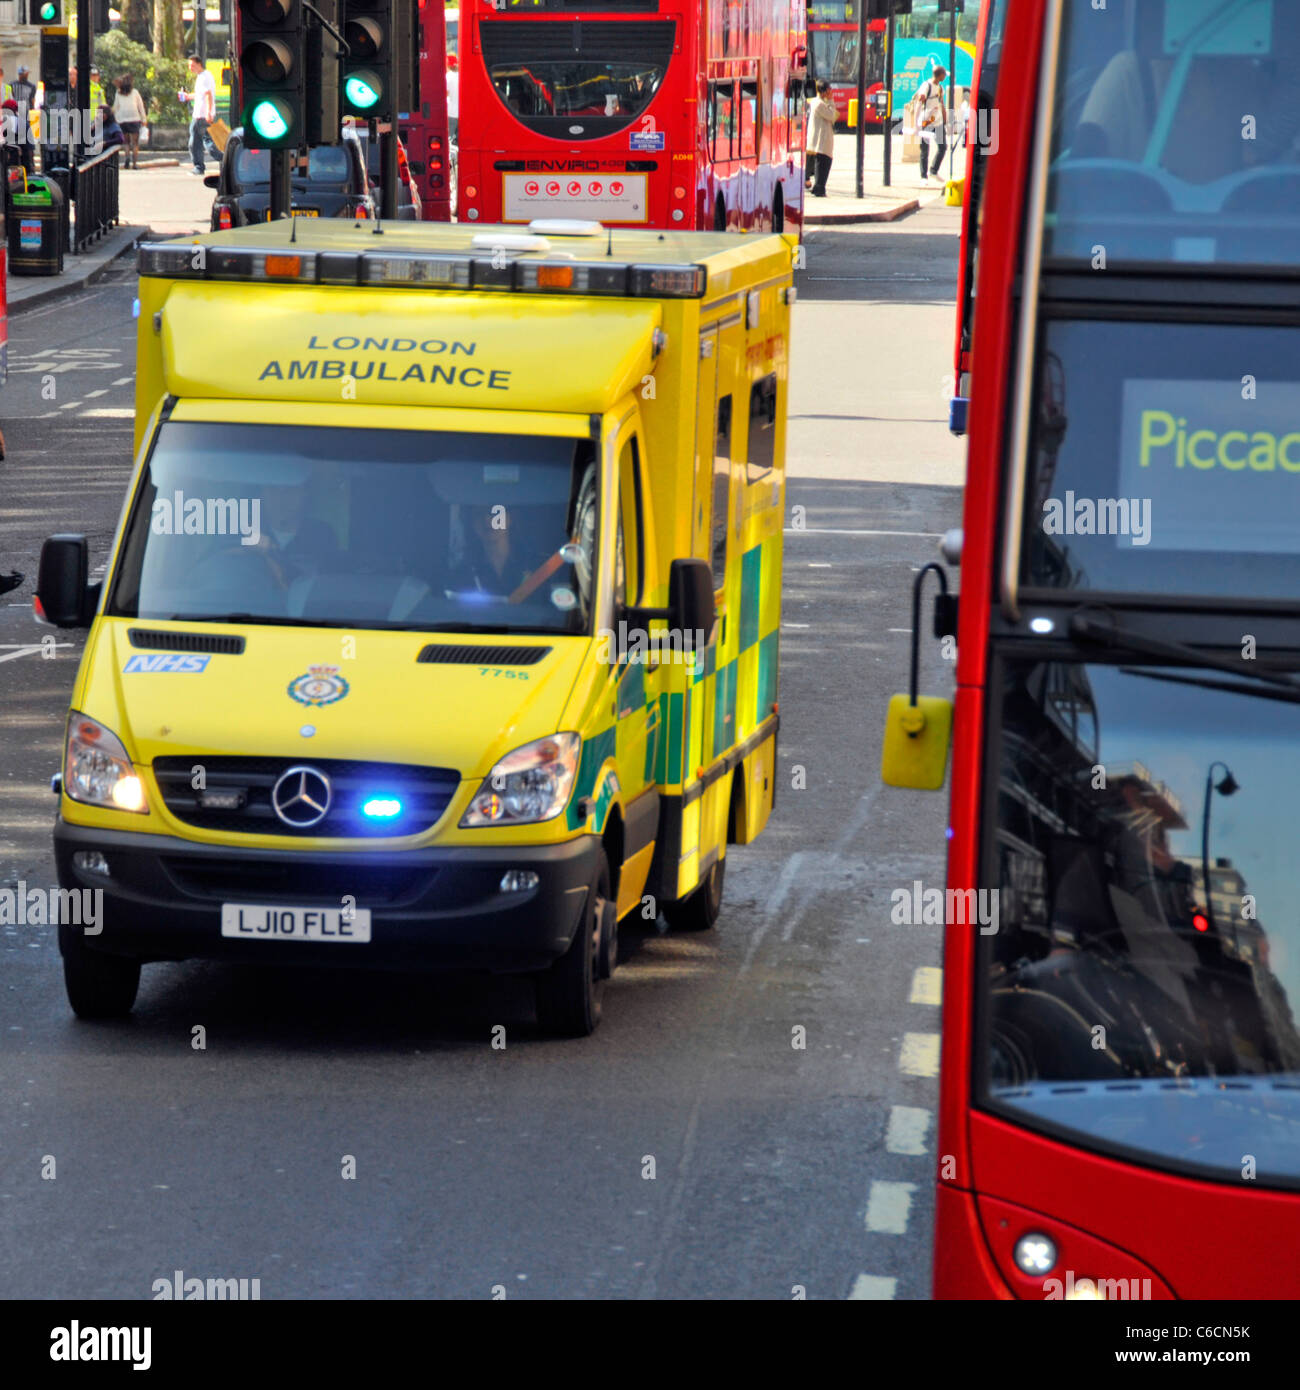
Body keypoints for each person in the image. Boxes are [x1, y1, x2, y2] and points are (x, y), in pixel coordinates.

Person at [178, 53, 217, 176]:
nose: (190, 68)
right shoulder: (204, 76)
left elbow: (208, 95)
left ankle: (199, 166)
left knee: (194, 142)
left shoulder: (204, 77)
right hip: (203, 115)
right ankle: (224, 158)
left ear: (199, 64)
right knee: (208, 141)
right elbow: (201, 94)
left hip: (201, 115)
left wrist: (207, 113)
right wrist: (188, 96)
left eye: (192, 65)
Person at [912, 64, 949, 183]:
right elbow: (918, 104)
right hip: (926, 121)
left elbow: (941, 103)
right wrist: (916, 124)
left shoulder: (940, 87)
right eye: (944, 75)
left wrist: (945, 119)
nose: (945, 77)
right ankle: (923, 176)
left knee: (943, 147)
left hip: (937, 121)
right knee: (924, 149)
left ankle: (933, 170)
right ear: (940, 75)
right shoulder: (926, 86)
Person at [805, 79, 836, 198]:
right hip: (820, 141)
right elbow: (832, 115)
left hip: (821, 140)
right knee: (822, 165)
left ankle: (817, 187)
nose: (831, 93)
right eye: (829, 90)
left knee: (819, 164)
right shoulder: (819, 104)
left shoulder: (820, 103)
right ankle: (819, 188)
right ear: (823, 91)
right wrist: (831, 100)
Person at [113, 71, 147, 169]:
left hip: (122, 120)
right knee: (135, 143)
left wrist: (114, 118)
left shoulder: (118, 93)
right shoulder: (135, 92)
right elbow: (140, 106)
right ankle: (135, 163)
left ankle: (127, 158)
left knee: (126, 142)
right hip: (134, 119)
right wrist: (144, 118)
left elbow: (116, 106)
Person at [446, 52, 459, 144]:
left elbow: (445, 93)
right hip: (462, 113)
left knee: (449, 139)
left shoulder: (448, 76)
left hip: (451, 112)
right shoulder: (462, 75)